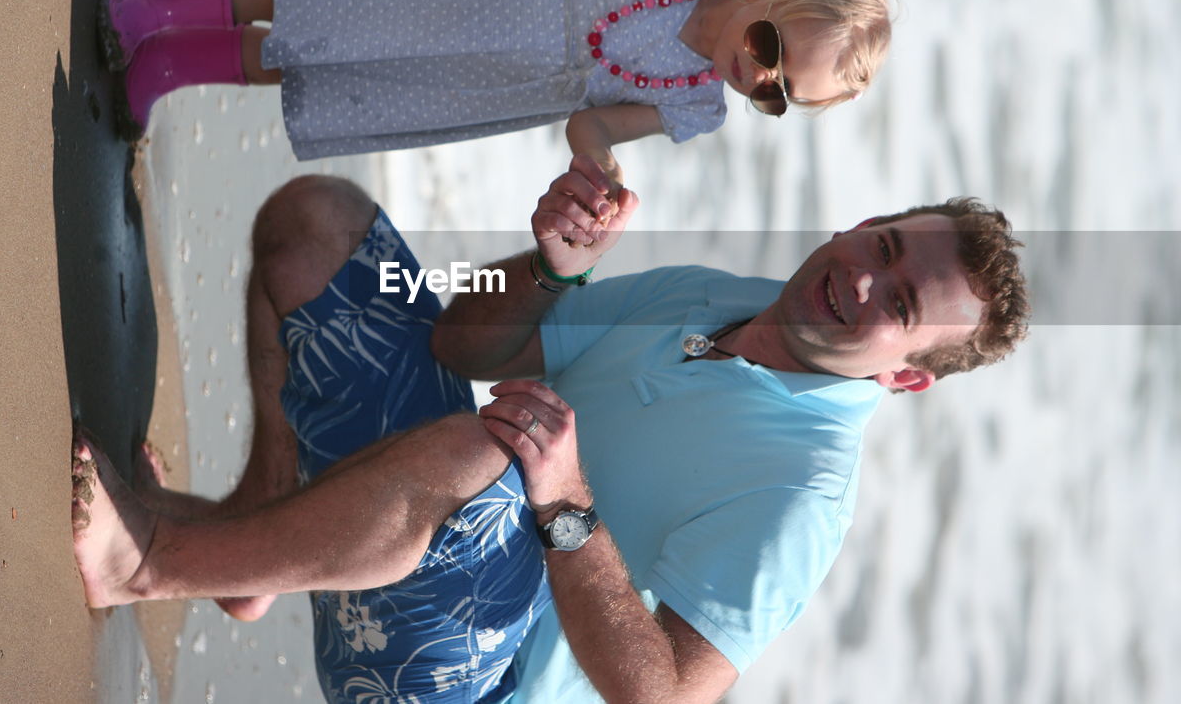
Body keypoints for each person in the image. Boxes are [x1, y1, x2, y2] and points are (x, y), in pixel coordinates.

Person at [71, 156, 1029, 702]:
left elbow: (657, 695)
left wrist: (567, 507)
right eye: (887, 246)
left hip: (457, 678)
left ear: (906, 374)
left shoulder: (802, 497)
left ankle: (152, 562)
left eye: (899, 300)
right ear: (867, 221)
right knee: (317, 222)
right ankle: (256, 538)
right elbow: (458, 332)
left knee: (493, 455)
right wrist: (547, 265)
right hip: (394, 533)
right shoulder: (718, 298)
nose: (863, 278)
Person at [101, 0, 892, 182]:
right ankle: (151, 8)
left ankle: (171, 66)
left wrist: (601, 165)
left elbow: (592, 122)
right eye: (770, 51)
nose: (759, 79)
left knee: (315, 60)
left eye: (778, 97)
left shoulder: (693, 105)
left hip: (479, 77)